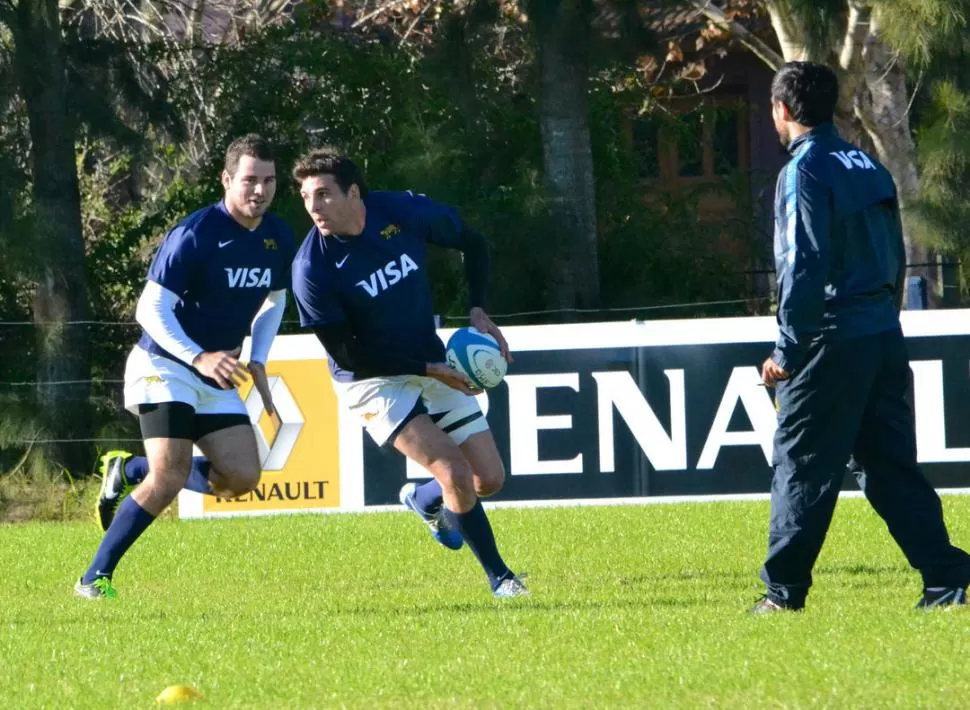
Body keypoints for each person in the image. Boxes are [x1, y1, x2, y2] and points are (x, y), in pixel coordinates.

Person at [754, 61, 970, 612]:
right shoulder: (868, 164)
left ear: (782, 109)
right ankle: (947, 577)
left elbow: (801, 263)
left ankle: (783, 594)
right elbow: (896, 255)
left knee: (802, 464)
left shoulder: (803, 170)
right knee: (890, 464)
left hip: (830, 337)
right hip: (880, 332)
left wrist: (789, 349)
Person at [289, 147, 528, 598]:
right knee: (453, 470)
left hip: (427, 357)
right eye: (306, 196)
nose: (313, 207)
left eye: (322, 194)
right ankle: (502, 580)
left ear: (353, 192)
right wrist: (429, 369)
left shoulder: (399, 210)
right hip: (370, 380)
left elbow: (472, 242)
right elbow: (351, 354)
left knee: (488, 480)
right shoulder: (311, 270)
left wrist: (478, 308)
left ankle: (422, 499)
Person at [75, 134, 296, 599]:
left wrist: (257, 356)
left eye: (269, 180)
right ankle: (94, 577)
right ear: (227, 179)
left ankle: (131, 470)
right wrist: (198, 354)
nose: (260, 190)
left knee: (241, 478)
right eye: (250, 180)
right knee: (170, 477)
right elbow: (149, 309)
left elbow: (276, 299)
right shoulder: (196, 234)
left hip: (215, 374)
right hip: (164, 365)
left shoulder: (278, 236)